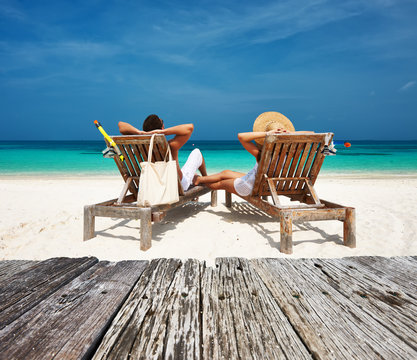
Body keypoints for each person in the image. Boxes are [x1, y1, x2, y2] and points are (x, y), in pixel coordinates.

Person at [194, 111, 313, 196]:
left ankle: (200, 181)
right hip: (268, 184)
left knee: (220, 183)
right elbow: (311, 133)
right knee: (226, 172)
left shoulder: (262, 154)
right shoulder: (291, 153)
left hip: (251, 187)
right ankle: (200, 179)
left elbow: (241, 136)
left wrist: (267, 134)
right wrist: (289, 134)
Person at [118, 114, 207, 191]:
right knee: (197, 152)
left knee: (188, 172)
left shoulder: (141, 146)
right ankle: (206, 179)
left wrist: (139, 133)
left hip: (153, 185)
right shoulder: (171, 146)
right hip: (177, 186)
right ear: (162, 127)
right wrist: (163, 132)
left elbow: (121, 125)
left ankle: (200, 179)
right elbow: (190, 127)